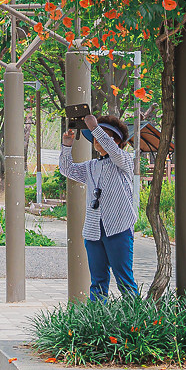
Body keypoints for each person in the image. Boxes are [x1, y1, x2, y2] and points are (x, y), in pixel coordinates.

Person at [59, 113, 141, 301]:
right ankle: (97, 316)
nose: (98, 139)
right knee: (97, 281)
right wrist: (67, 146)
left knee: (125, 280)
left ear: (118, 141)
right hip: (93, 230)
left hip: (119, 228)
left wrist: (95, 128)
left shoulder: (124, 161)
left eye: (105, 136)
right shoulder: (91, 166)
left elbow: (114, 152)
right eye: (95, 136)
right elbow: (67, 169)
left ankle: (135, 316)